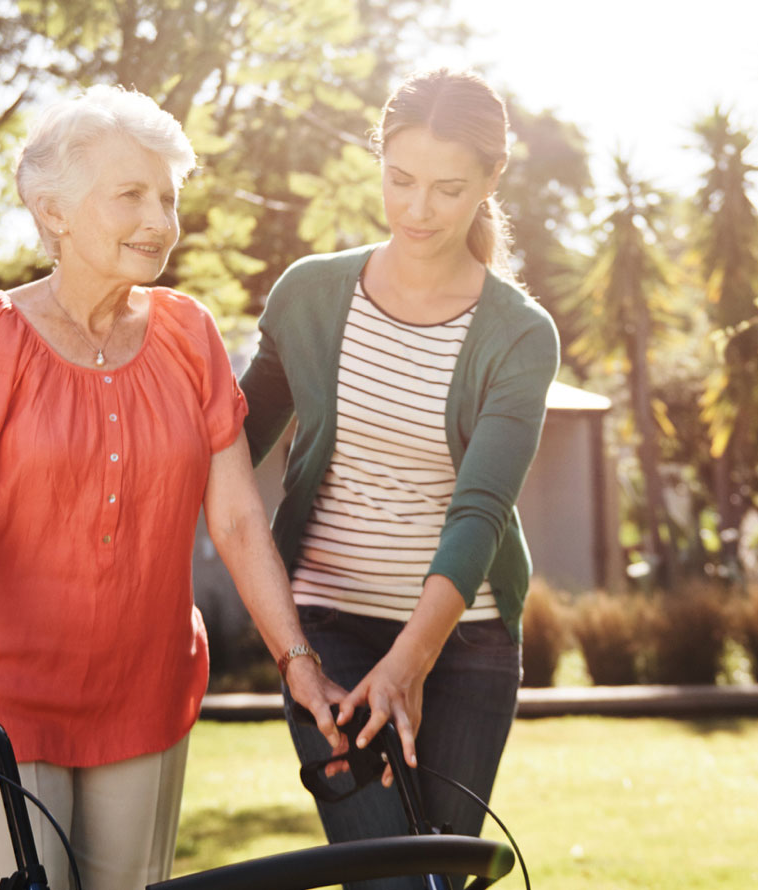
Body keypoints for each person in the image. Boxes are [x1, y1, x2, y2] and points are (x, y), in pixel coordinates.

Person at [0, 85, 344, 890]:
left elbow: (236, 519)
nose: (160, 220)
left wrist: (296, 660)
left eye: (167, 197)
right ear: (54, 211)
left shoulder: (190, 334)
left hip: (143, 693)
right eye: (130, 194)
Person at [240, 68, 559, 887]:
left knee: (439, 880)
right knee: (390, 879)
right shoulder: (309, 295)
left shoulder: (520, 336)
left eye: (449, 189)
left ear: (492, 180)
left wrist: (413, 660)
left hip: (465, 643)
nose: (418, 210)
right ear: (377, 162)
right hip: (329, 634)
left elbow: (479, 512)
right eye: (400, 180)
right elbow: (225, 455)